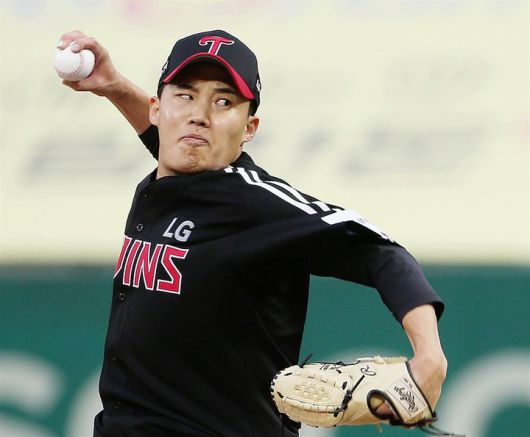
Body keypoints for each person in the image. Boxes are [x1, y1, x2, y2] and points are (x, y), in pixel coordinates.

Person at [57, 30, 448, 437]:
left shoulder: (256, 205)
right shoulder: (171, 172)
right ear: (157, 108)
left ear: (249, 127)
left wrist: (429, 357)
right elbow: (177, 139)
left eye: (224, 102)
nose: (199, 115)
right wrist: (115, 87)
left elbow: (379, 252)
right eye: (185, 95)